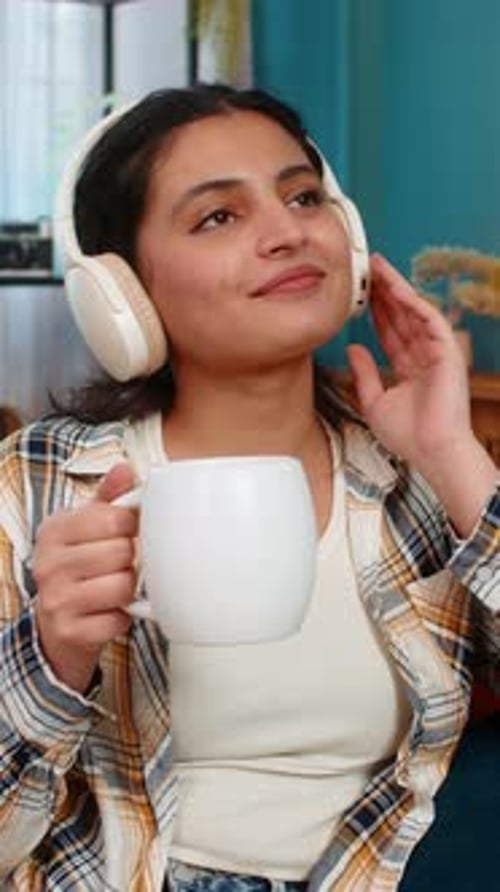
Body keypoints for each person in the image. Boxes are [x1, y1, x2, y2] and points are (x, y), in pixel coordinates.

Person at [0, 83, 498, 892]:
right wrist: (52, 657)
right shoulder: (39, 480)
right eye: (218, 217)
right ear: (121, 295)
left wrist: (453, 454)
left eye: (303, 195)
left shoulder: (417, 474)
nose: (287, 232)